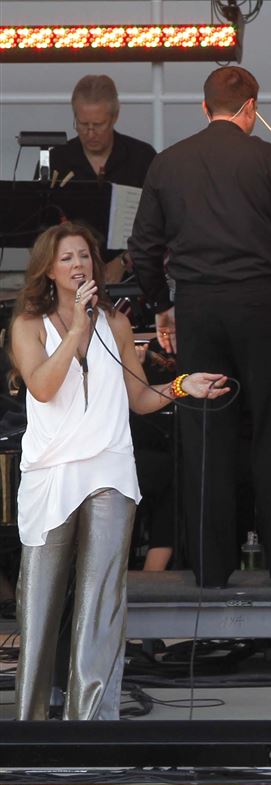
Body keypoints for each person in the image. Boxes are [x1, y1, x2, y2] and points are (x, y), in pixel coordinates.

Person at [10, 222, 227, 719]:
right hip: (53, 472)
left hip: (109, 467)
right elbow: (42, 387)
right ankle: (30, 724)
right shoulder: (27, 324)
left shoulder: (117, 324)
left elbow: (139, 398)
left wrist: (183, 386)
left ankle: (91, 724)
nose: (78, 265)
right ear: (48, 269)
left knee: (102, 599)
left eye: (84, 256)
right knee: (39, 602)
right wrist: (76, 329)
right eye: (67, 258)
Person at [128, 66, 271, 589]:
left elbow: (143, 248)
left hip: (199, 307)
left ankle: (210, 566)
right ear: (252, 108)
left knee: (204, 432)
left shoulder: (168, 163)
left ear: (204, 108)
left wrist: (162, 304)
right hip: (261, 304)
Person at [47, 75, 157, 283]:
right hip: (68, 279)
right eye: (82, 124)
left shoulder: (142, 158)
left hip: (132, 279)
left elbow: (161, 223)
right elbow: (39, 231)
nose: (90, 134)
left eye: (98, 125)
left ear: (115, 117)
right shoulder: (57, 159)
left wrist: (124, 260)